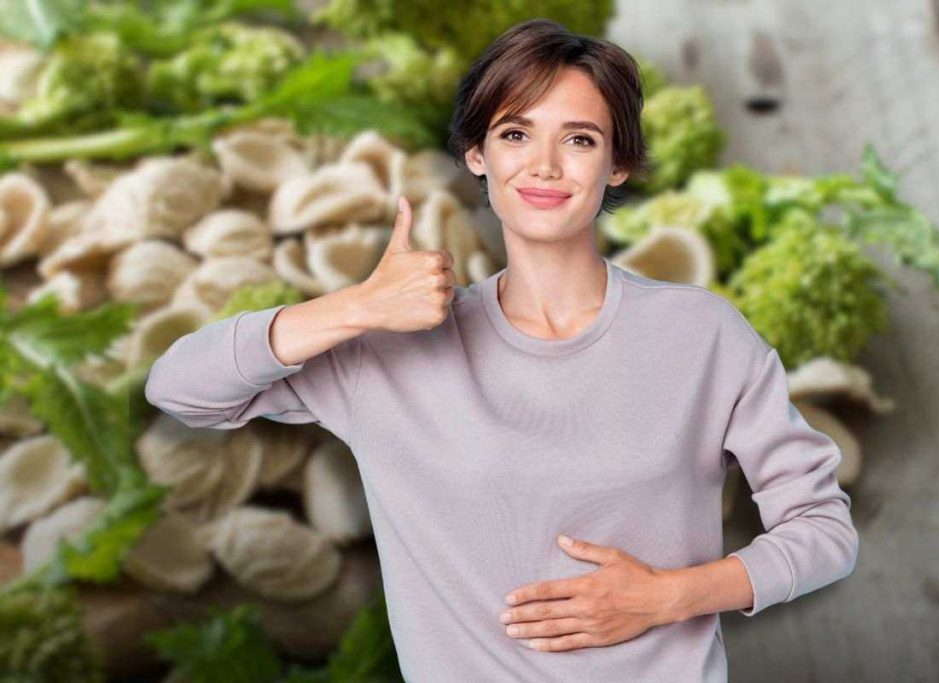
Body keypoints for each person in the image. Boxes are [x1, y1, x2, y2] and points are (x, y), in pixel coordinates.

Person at [145, 18, 859, 682]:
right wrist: (355, 306)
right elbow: (179, 387)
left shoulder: (701, 335)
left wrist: (667, 597)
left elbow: (824, 529)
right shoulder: (391, 350)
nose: (545, 165)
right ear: (476, 154)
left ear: (617, 165)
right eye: (517, 134)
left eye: (579, 138)